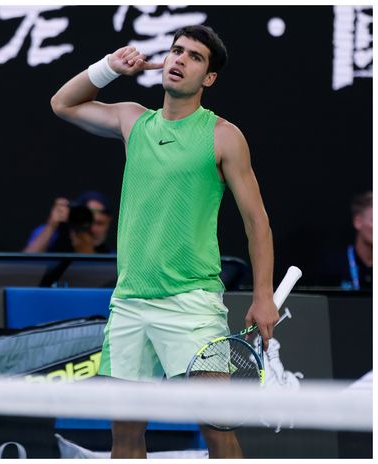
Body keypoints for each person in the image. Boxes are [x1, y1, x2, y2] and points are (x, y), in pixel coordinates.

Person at [50, 25, 278, 458]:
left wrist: (263, 295)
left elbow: (257, 221)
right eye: (176, 51)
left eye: (194, 57)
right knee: (125, 438)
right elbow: (62, 103)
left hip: (193, 305)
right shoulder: (133, 119)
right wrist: (109, 68)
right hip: (131, 302)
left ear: (209, 78)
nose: (179, 60)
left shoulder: (223, 136)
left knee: (217, 431)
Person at [24, 191, 114, 254]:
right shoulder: (52, 233)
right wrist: (51, 226)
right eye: (87, 221)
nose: (92, 229)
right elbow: (24, 266)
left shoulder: (113, 256)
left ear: (109, 223)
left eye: (99, 223)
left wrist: (86, 252)